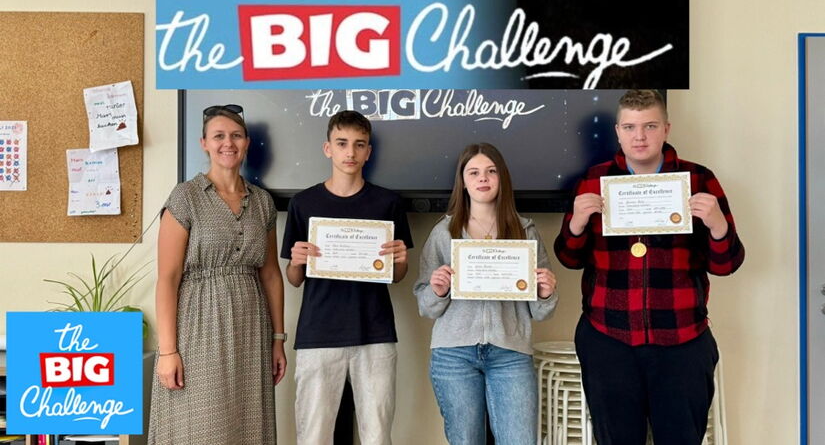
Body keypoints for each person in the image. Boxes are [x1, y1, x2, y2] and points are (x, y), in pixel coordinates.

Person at [554, 89, 745, 445]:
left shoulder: (699, 179)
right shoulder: (593, 180)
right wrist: (577, 223)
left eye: (650, 126)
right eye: (629, 127)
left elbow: (726, 264)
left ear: (666, 129)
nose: (639, 136)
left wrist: (718, 225)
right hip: (607, 337)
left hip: (682, 338)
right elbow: (569, 258)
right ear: (617, 132)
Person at [149, 104, 286, 444]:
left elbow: (271, 274)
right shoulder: (185, 197)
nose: (228, 143)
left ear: (247, 143)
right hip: (198, 326)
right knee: (200, 424)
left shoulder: (263, 202)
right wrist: (168, 351)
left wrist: (278, 340)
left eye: (236, 135)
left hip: (251, 328)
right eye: (219, 136)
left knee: (247, 423)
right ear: (204, 143)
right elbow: (167, 278)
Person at [281, 110, 413, 445]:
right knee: (313, 435)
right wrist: (296, 262)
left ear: (369, 151)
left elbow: (397, 276)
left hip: (375, 332)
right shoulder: (303, 203)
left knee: (377, 435)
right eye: (342, 143)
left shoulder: (388, 203)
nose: (350, 152)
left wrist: (401, 261)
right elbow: (294, 278)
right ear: (328, 149)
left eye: (359, 144)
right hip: (318, 333)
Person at [414, 142, 558, 445]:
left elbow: (541, 311)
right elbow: (426, 306)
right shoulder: (444, 233)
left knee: (520, 440)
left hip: (510, 353)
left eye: (491, 171)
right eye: (474, 172)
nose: (483, 178)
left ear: (501, 178)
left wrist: (545, 293)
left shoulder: (525, 231)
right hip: (454, 354)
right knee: (466, 440)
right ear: (463, 182)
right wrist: (438, 290)